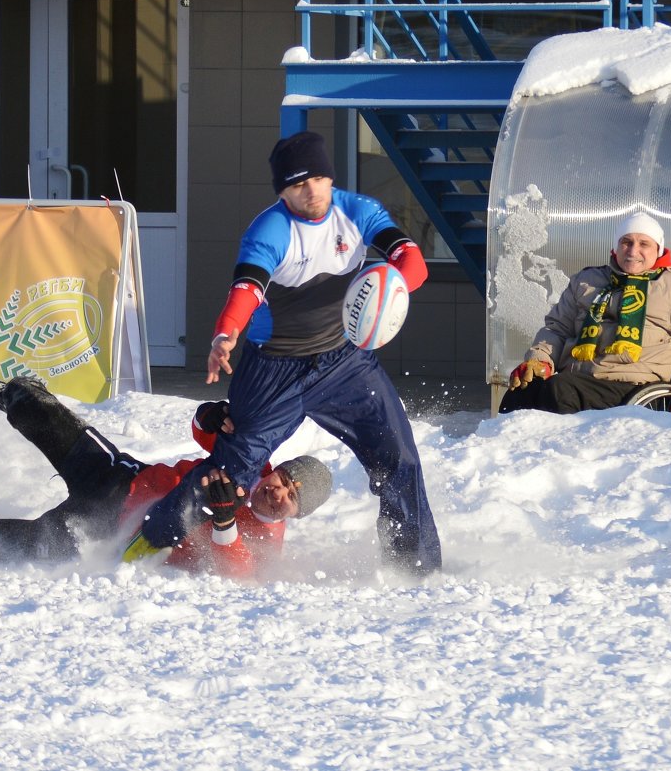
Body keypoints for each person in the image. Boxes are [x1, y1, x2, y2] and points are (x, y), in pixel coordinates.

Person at [126, 131, 442, 576]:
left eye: (316, 178)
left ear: (330, 177)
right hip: (273, 369)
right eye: (296, 185)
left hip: (344, 362)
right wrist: (225, 334)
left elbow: (413, 261)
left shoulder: (359, 212)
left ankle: (417, 570)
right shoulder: (270, 230)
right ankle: (140, 546)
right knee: (228, 478)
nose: (309, 191)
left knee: (400, 459)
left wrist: (392, 287)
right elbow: (247, 289)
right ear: (282, 191)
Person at [0, 369, 332, 579]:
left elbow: (241, 573)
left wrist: (226, 525)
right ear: (275, 470)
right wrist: (211, 414)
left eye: (292, 499)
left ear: (293, 516)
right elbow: (203, 430)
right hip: (123, 480)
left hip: (115, 536)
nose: (279, 494)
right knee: (55, 424)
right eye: (285, 481)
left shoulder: (267, 537)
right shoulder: (250, 462)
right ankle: (17, 395)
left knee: (34, 542)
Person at [498, 212, 671, 415]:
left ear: (658, 249)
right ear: (615, 248)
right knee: (522, 390)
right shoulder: (588, 281)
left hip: (634, 388)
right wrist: (540, 359)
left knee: (561, 390)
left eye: (644, 244)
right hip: (578, 379)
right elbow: (557, 329)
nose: (633, 250)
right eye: (626, 242)